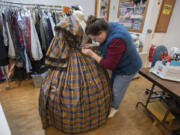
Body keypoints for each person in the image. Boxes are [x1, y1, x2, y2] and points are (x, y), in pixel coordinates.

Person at [81, 15, 142, 118]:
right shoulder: (107, 27)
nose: (95, 41)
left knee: (117, 90)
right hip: (120, 62)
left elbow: (109, 64)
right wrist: (94, 46)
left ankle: (115, 107)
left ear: (100, 33)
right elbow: (106, 44)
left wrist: (91, 53)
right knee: (111, 83)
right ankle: (112, 102)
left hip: (128, 67)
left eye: (95, 39)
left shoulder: (117, 39)